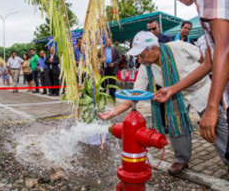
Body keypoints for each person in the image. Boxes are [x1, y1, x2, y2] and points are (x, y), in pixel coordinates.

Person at [98, 31, 229, 175]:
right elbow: (134, 95)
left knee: (215, 124)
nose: (140, 60)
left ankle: (227, 160)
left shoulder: (178, 47)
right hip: (176, 97)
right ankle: (181, 159)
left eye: (141, 55)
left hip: (200, 89)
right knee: (175, 124)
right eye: (138, 57)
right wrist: (113, 112)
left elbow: (206, 62)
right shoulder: (145, 67)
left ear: (154, 49)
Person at [156, 0, 229, 157]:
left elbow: (225, 49)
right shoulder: (205, 0)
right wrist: (172, 89)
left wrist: (212, 109)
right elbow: (209, 63)